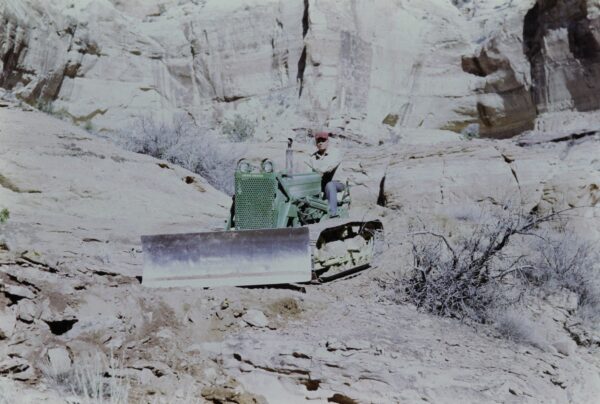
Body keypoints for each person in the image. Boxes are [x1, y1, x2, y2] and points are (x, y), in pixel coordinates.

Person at [307, 131, 344, 218]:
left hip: (337, 184)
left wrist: (320, 171)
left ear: (328, 142)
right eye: (318, 141)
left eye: (323, 140)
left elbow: (330, 166)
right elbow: (308, 171)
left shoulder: (335, 153)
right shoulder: (312, 157)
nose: (320, 143)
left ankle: (333, 214)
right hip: (320, 184)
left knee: (330, 185)